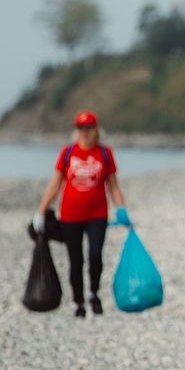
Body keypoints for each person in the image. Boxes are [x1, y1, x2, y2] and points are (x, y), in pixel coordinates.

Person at [33, 111, 129, 318]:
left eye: (89, 128)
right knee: (75, 261)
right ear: (76, 131)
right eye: (81, 128)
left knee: (95, 255)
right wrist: (41, 210)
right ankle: (79, 301)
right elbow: (55, 184)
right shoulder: (68, 153)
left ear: (96, 130)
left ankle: (94, 292)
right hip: (70, 216)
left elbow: (113, 186)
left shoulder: (104, 153)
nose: (85, 133)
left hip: (97, 215)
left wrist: (121, 208)